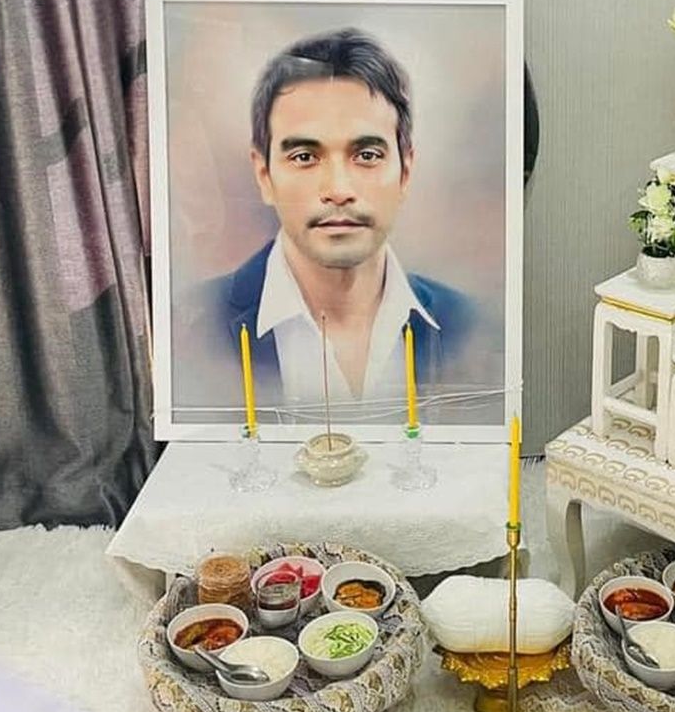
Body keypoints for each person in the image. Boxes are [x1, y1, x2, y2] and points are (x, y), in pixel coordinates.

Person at [179, 30, 478, 420]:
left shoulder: (468, 326)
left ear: (405, 171)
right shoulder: (193, 328)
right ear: (264, 175)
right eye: (304, 156)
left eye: (367, 154)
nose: (338, 190)